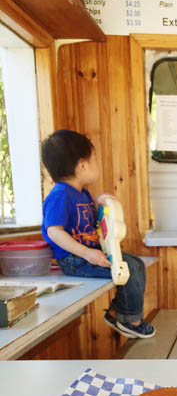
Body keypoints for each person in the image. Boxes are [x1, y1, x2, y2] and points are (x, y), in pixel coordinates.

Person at [41, 129, 155, 339]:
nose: (97, 163)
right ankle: (131, 319)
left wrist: (96, 202)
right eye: (94, 159)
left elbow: (84, 218)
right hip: (74, 259)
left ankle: (115, 312)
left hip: (89, 254)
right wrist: (86, 253)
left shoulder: (81, 193)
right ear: (82, 165)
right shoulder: (59, 195)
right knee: (127, 267)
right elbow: (54, 232)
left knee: (136, 263)